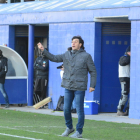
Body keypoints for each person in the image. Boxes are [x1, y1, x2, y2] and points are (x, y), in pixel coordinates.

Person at [37, 36, 97, 138]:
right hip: (68, 86)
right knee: (66, 108)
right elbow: (54, 58)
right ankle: (69, 128)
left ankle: (79, 132)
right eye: (72, 42)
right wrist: (44, 50)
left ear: (80, 44)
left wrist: (92, 85)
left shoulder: (86, 56)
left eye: (75, 42)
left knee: (79, 110)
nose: (73, 43)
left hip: (80, 86)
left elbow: (93, 71)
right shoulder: (66, 54)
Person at [117, 46, 131, 116]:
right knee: (124, 94)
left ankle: (127, 110)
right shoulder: (124, 57)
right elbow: (123, 62)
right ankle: (119, 109)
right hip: (124, 78)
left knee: (129, 95)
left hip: (128, 78)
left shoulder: (127, 57)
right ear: (128, 52)